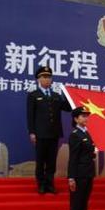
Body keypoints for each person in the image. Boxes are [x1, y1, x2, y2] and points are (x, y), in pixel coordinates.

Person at [27, 65, 72, 194]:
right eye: (44, 77)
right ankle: (41, 184)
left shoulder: (56, 95)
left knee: (52, 161)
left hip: (54, 133)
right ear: (38, 79)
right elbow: (30, 116)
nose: (47, 79)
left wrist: (70, 95)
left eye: (49, 77)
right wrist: (32, 132)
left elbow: (68, 108)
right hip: (40, 134)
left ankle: (50, 184)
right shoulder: (33, 95)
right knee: (41, 160)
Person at [68, 106, 97, 210]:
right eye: (83, 116)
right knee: (76, 205)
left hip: (88, 174)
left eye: (87, 115)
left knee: (84, 205)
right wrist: (71, 177)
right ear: (76, 119)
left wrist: (94, 152)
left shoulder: (86, 133)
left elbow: (87, 153)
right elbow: (73, 158)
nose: (86, 118)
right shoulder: (75, 134)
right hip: (79, 175)